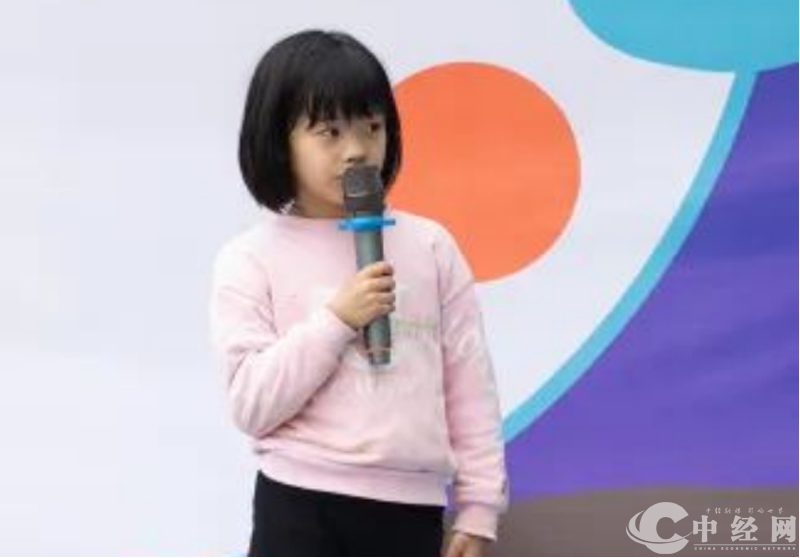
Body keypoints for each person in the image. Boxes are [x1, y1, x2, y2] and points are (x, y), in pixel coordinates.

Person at [210, 29, 508, 557]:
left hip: (409, 510)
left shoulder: (430, 247)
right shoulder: (250, 258)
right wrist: (337, 320)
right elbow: (252, 405)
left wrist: (480, 506)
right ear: (278, 140)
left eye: (372, 127)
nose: (356, 151)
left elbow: (469, 384)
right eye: (329, 132)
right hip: (298, 501)